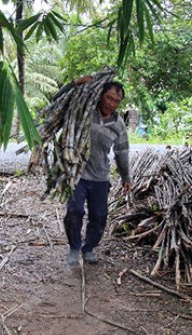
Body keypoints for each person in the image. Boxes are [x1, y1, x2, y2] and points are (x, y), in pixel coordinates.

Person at [64, 79, 132, 266]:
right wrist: (75, 83)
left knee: (99, 216)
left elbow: (122, 152)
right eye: (108, 98)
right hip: (77, 174)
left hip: (100, 177)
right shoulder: (84, 112)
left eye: (116, 101)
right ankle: (74, 248)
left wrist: (126, 177)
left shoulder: (118, 124)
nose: (111, 104)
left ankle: (88, 248)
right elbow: (61, 99)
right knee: (75, 210)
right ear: (100, 95)